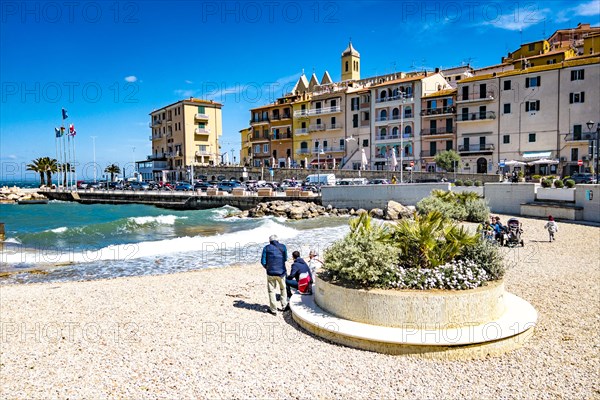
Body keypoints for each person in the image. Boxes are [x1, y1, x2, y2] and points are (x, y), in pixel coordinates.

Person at [261, 234, 288, 315]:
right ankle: (284, 305)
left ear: (269, 241)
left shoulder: (266, 248)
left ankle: (273, 310)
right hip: (281, 272)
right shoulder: (283, 247)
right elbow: (285, 258)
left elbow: (263, 261)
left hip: (270, 273)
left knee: (271, 291)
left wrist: (267, 268)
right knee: (283, 289)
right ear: (278, 240)